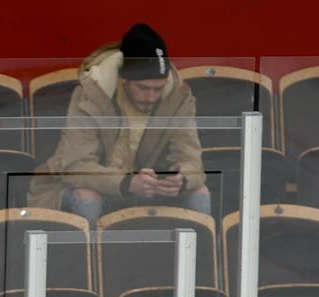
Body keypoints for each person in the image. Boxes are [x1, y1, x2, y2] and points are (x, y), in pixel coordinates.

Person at [29, 23, 210, 224]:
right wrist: (127, 182)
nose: (151, 97)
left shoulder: (178, 98)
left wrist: (181, 179)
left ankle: (199, 256)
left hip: (147, 191)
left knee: (199, 193)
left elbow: (193, 162)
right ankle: (85, 255)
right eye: (143, 88)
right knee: (87, 198)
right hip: (90, 188)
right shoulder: (90, 96)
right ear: (123, 80)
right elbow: (76, 167)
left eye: (158, 89)